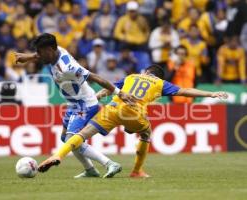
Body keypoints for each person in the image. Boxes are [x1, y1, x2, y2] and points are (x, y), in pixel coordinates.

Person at [37, 64, 228, 178]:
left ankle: (58, 155)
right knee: (146, 133)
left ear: (145, 72)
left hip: (112, 108)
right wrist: (211, 93)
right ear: (156, 76)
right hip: (134, 112)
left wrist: (96, 96)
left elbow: (107, 89)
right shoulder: (161, 83)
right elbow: (184, 91)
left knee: (82, 134)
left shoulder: (130, 77)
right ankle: (136, 171)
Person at [15, 33, 136, 178]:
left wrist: (119, 93)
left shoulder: (67, 67)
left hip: (84, 104)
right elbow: (40, 55)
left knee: (71, 140)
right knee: (65, 137)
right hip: (73, 104)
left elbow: (95, 77)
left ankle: (109, 164)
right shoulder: (54, 51)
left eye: (41, 52)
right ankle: (90, 170)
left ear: (49, 50)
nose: (39, 55)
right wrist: (28, 57)